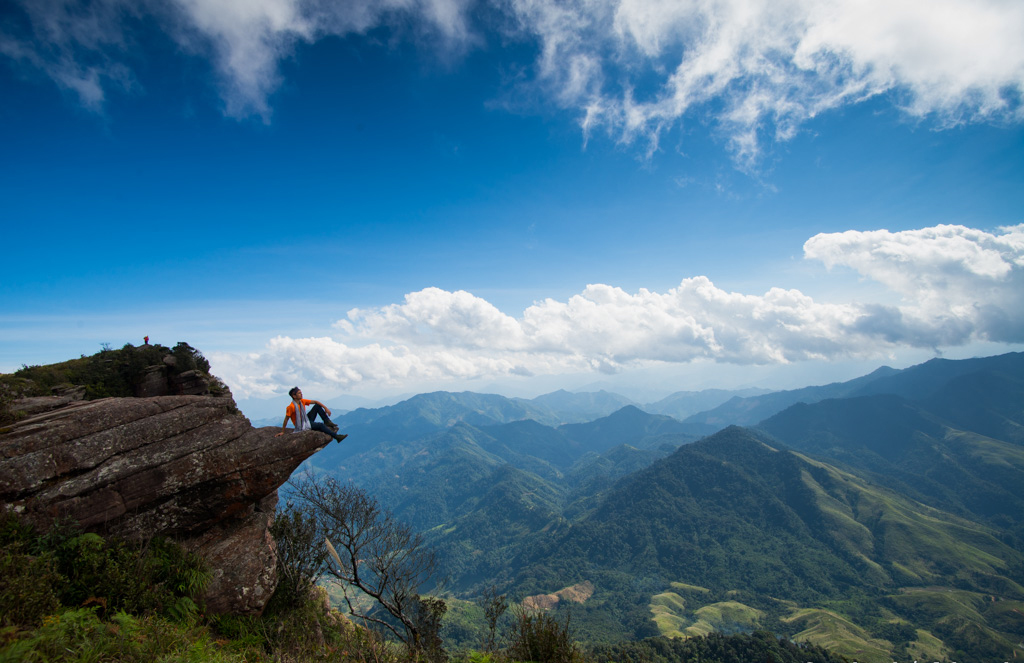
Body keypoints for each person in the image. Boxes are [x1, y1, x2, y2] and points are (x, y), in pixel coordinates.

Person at [275, 387, 348, 443]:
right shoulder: (291, 407)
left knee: (317, 406)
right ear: (294, 396)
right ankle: (336, 437)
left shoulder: (302, 401)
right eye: (299, 393)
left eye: (301, 392)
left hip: (306, 419)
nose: (301, 394)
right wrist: (283, 431)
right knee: (320, 425)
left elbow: (316, 401)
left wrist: (326, 408)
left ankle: (327, 421)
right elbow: (286, 419)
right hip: (301, 424)